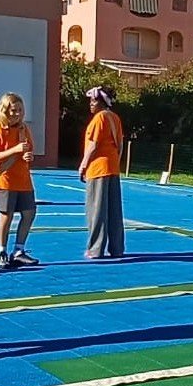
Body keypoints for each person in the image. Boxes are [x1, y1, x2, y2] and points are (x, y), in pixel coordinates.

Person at [0, 93, 39, 269]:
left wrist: (27, 155)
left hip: (23, 178)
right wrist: (15, 150)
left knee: (29, 212)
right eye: (14, 110)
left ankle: (19, 250)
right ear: (4, 111)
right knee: (6, 215)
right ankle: (1, 251)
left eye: (20, 110)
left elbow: (28, 151)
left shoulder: (24, 129)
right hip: (4, 179)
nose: (18, 114)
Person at [79, 85, 124, 259]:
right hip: (112, 167)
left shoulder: (99, 119)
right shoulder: (115, 118)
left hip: (98, 168)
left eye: (94, 100)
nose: (90, 104)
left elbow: (93, 145)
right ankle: (117, 248)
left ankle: (95, 249)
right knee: (114, 211)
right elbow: (119, 145)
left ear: (102, 102)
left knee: (96, 210)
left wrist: (83, 165)